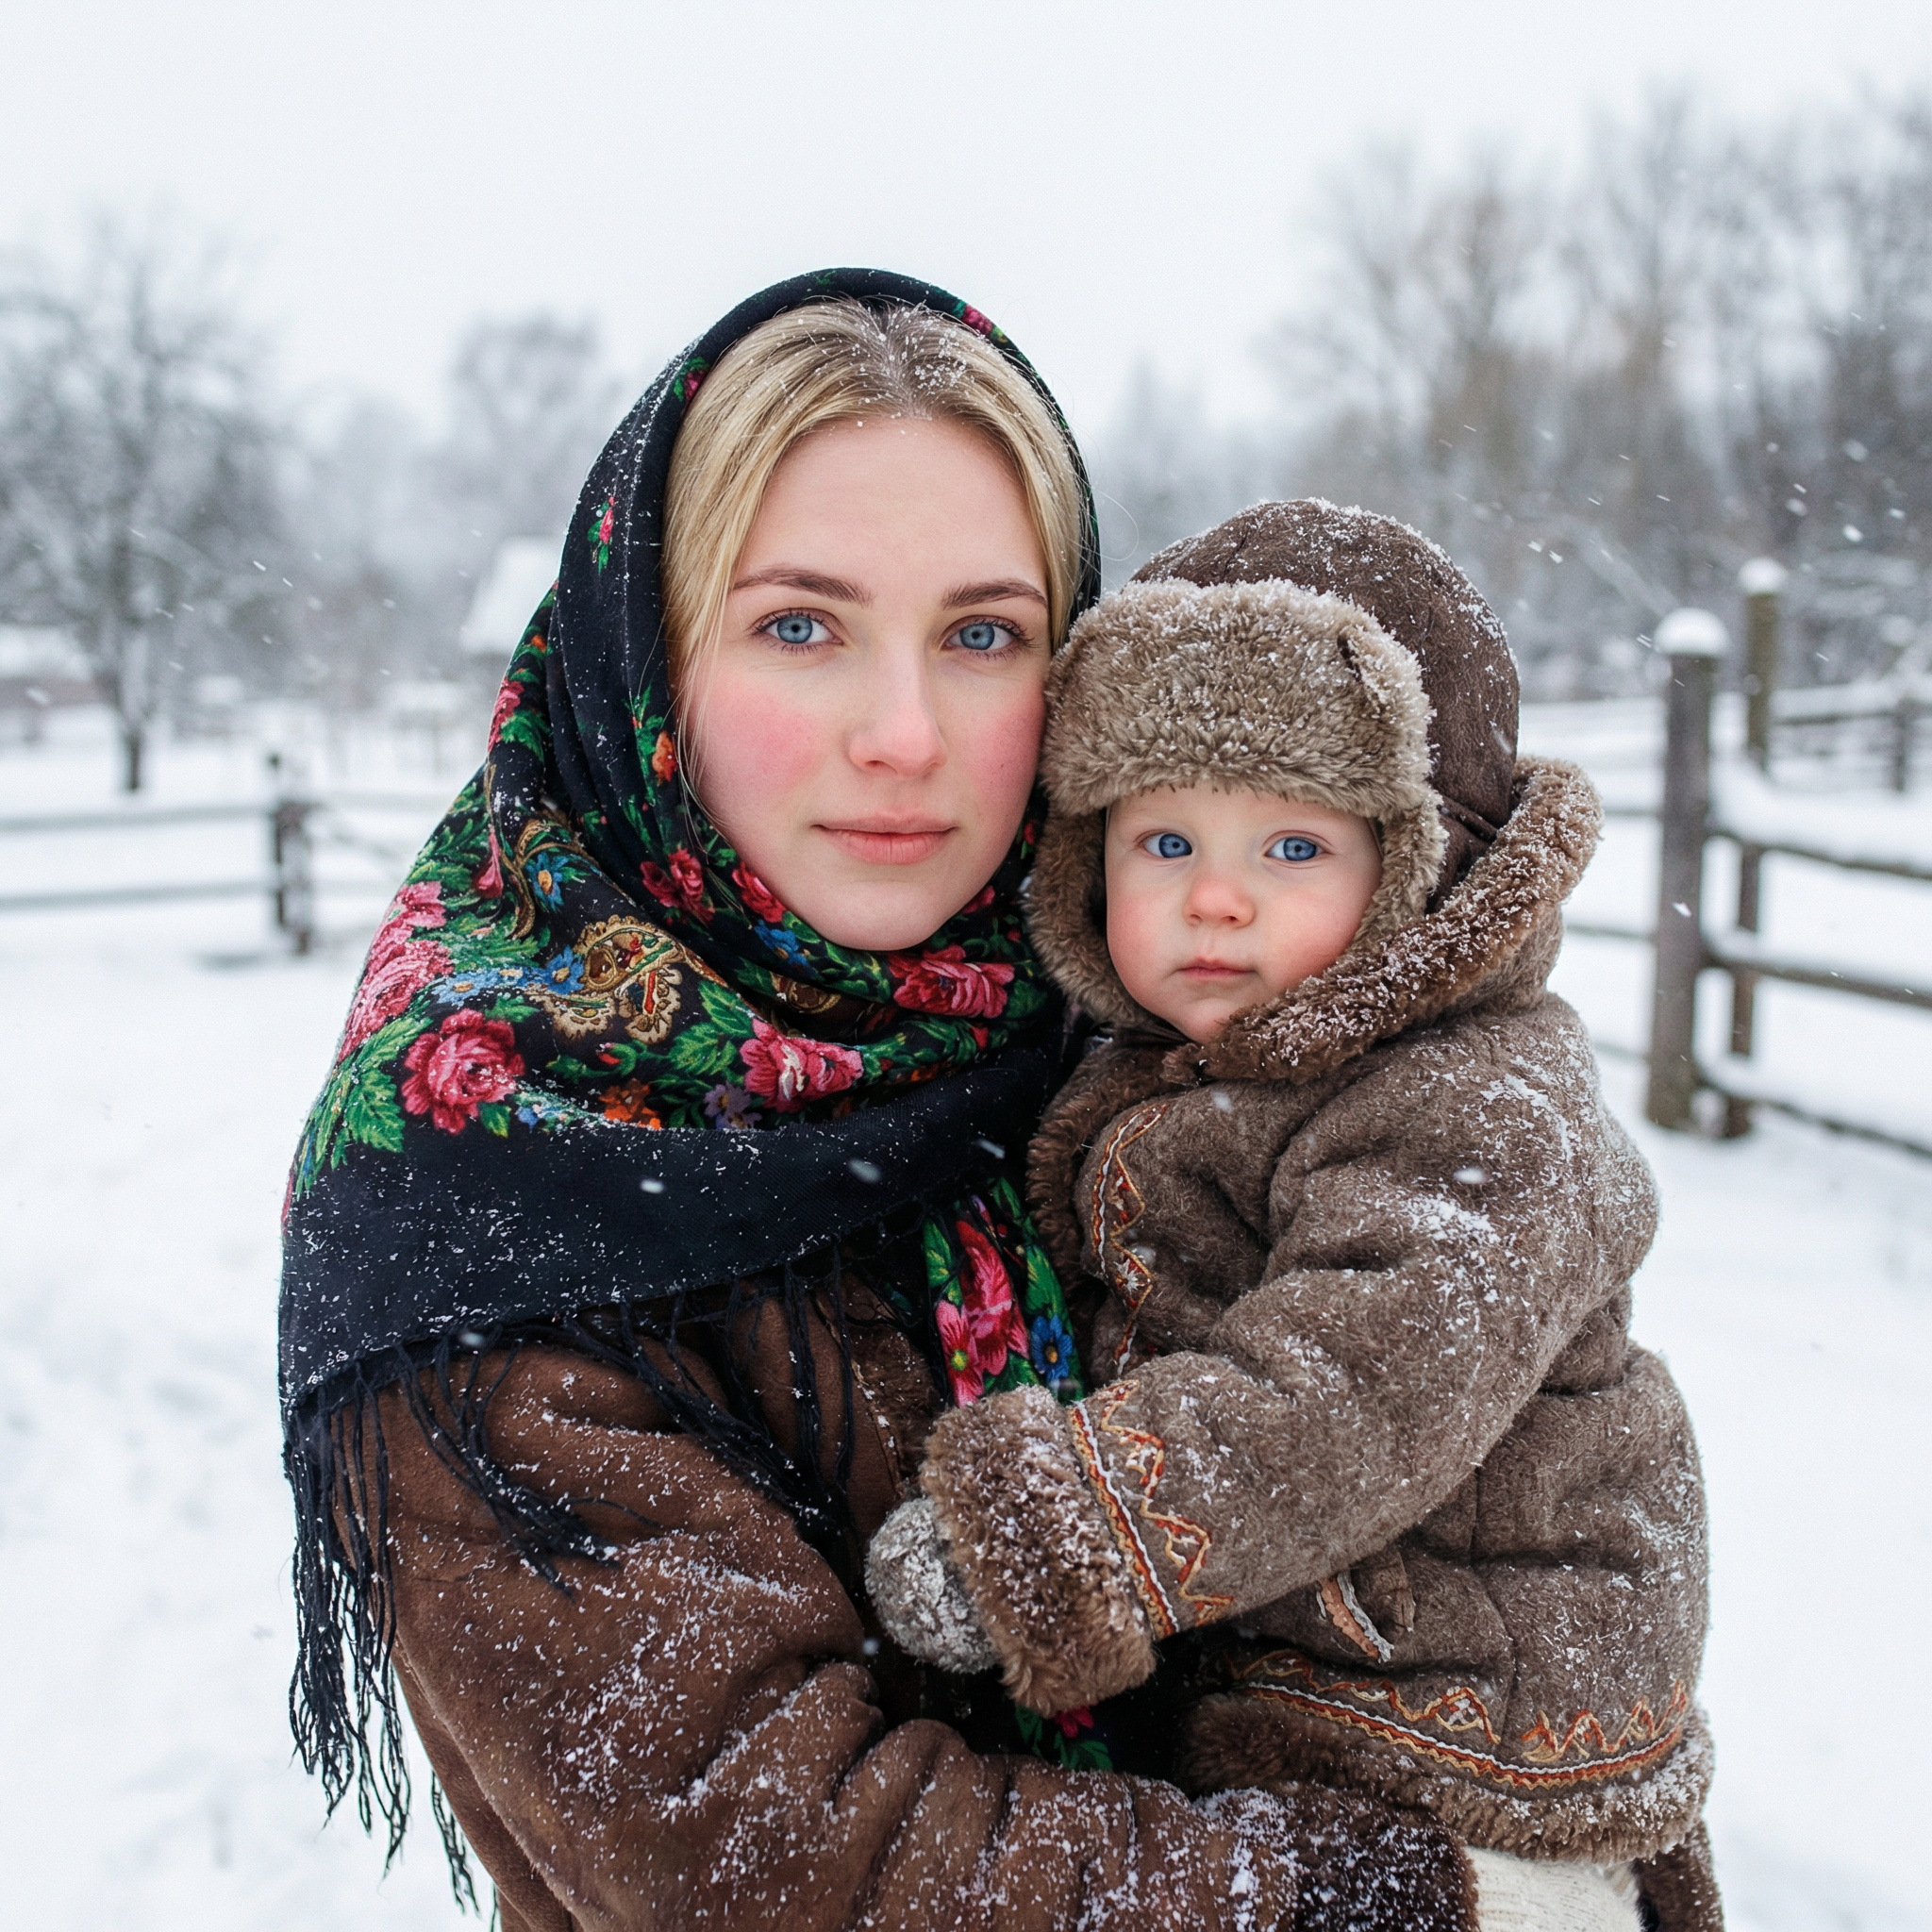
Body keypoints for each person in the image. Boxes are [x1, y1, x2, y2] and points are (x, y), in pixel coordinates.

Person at [279, 276, 1484, 1932]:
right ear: (652, 660)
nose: (907, 735)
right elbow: (783, 1861)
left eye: (983, 636)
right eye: (799, 625)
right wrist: (1413, 1894)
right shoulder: (486, 1171)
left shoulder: (1133, 1036)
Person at [867, 502, 1724, 1932]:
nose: (1214, 899)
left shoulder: (1480, 1104)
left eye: (1294, 850)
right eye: (1163, 843)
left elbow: (1352, 1385)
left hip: (1468, 1746)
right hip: (1327, 1698)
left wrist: (1062, 1528)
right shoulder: (1189, 1062)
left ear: (1419, 870)